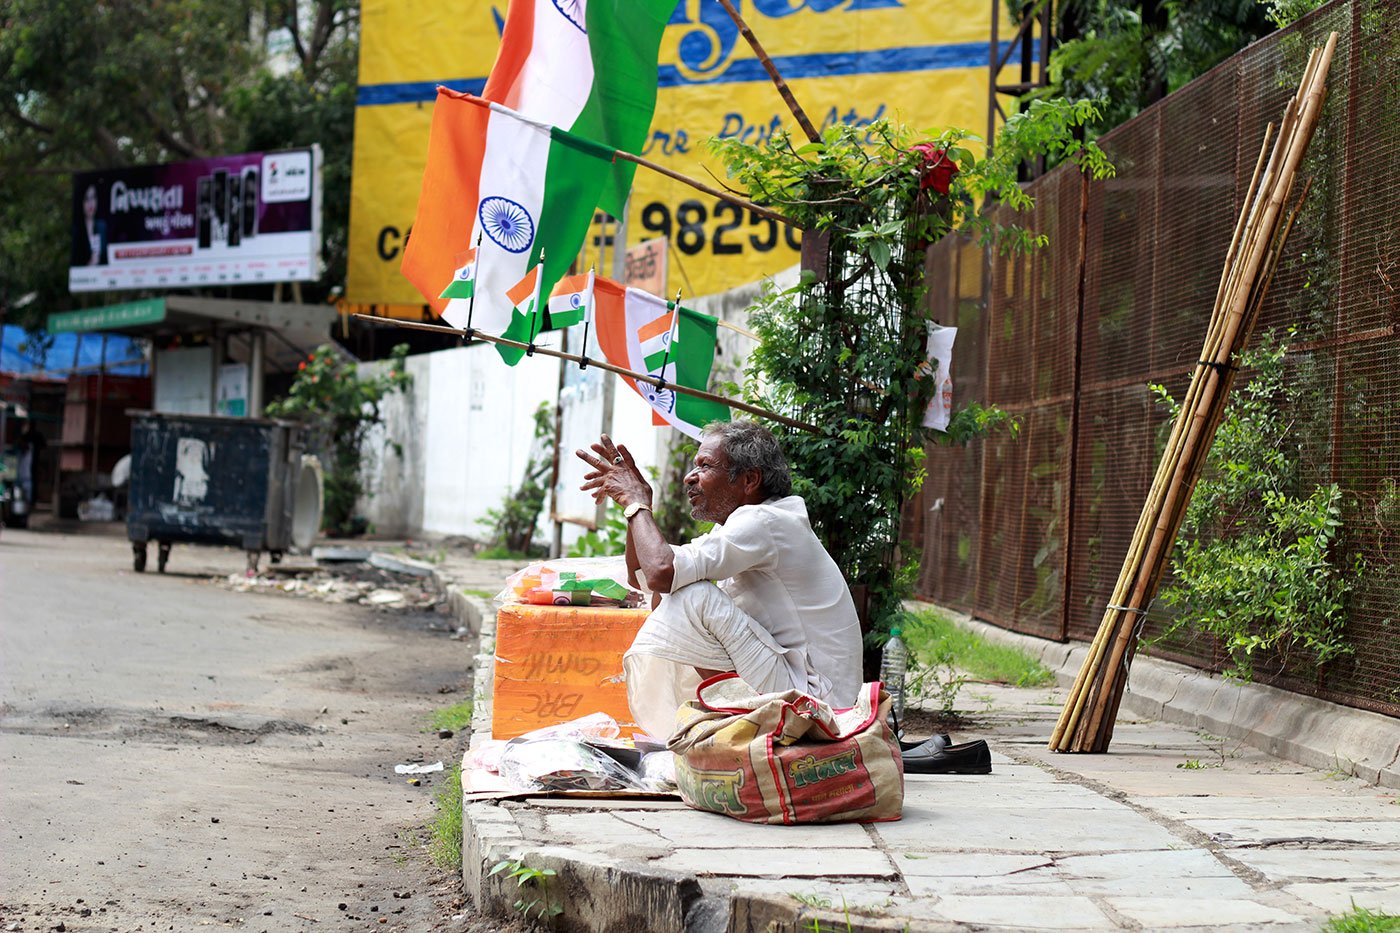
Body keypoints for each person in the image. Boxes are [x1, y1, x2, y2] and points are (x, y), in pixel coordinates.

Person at [576, 420, 863, 740]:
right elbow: (646, 577)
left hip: (820, 706)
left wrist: (636, 503)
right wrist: (638, 506)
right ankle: (730, 724)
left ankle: (737, 728)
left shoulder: (763, 521)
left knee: (692, 596)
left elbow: (661, 572)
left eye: (705, 466)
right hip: (804, 692)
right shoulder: (745, 524)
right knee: (681, 592)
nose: (690, 477)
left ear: (749, 479)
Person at [74, 183, 108, 266]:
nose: (91, 203)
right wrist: (90, 265)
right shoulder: (76, 230)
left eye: (93, 197)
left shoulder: (102, 227)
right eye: (87, 199)